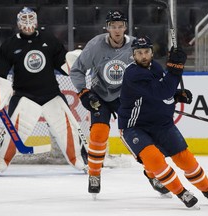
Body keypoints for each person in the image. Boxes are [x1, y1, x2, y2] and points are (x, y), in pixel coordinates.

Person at [118, 36, 208, 208]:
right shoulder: (133, 74)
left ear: (152, 53)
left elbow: (162, 91)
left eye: (146, 52)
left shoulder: (155, 67)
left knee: (186, 159)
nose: (143, 56)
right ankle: (181, 192)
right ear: (133, 55)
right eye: (139, 53)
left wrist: (176, 95)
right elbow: (161, 91)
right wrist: (176, 69)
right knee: (154, 158)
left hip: (161, 124)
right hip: (135, 127)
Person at [70, 10, 169, 197]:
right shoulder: (95, 46)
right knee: (99, 133)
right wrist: (83, 92)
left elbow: (148, 68)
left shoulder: (135, 46)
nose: (117, 30)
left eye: (120, 26)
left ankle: (152, 174)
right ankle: (94, 174)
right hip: (100, 95)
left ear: (125, 27)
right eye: (113, 26)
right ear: (107, 28)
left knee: (139, 138)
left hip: (126, 97)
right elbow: (77, 70)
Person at [0, 7, 88, 175]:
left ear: (36, 21)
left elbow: (62, 63)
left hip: (51, 94)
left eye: (30, 19)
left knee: (68, 130)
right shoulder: (10, 44)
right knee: (15, 133)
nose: (27, 23)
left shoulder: (48, 39)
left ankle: (83, 160)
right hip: (24, 96)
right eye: (23, 20)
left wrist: (74, 63)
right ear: (18, 23)